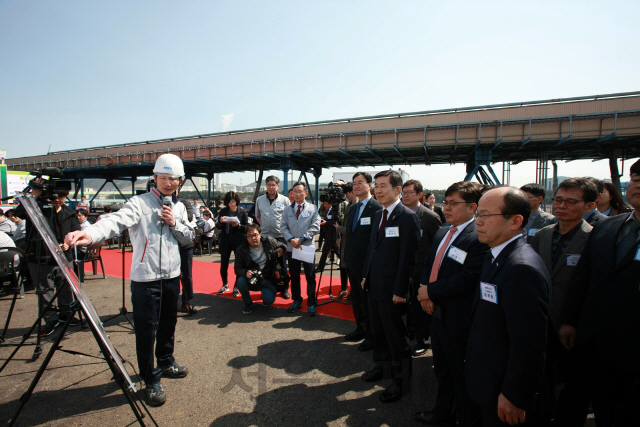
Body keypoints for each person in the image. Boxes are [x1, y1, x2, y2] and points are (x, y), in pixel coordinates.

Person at [65, 153, 195, 407]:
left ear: (181, 181)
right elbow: (114, 221)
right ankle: (150, 378)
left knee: (168, 323)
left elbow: (189, 237)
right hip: (145, 279)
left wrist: (174, 222)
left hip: (171, 277)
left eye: (174, 179)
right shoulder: (139, 203)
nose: (169, 183)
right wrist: (89, 233)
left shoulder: (179, 207)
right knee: (146, 330)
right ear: (154, 178)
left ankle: (166, 361)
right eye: (164, 178)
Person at [559, 159, 640, 427]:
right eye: (636, 178)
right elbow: (584, 277)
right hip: (598, 345)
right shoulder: (608, 227)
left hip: (635, 348)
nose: (638, 185)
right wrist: (570, 321)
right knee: (605, 410)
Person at [466, 186, 551, 426]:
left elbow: (529, 344)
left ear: (515, 221)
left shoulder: (521, 268)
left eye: (484, 215)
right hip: (487, 377)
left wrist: (515, 395)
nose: (477, 222)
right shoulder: (495, 253)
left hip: (502, 389)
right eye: (477, 215)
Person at [415, 181, 489, 426]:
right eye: (445, 202)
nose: (446, 208)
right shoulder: (443, 231)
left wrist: (430, 292)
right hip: (435, 311)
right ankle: (443, 411)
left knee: (461, 372)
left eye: (453, 203)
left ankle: (465, 417)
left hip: (459, 315)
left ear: (472, 207)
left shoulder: (479, 236)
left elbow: (469, 277)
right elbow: (427, 263)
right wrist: (426, 292)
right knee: (442, 368)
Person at [531, 178, 596, 427]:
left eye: (571, 202)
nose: (561, 206)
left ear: (589, 205)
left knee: (575, 381)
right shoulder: (543, 234)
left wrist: (574, 321)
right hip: (542, 319)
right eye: (558, 200)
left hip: (573, 324)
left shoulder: (595, 238)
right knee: (541, 376)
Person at [361, 170, 420, 404]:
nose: (378, 190)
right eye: (376, 185)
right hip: (374, 285)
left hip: (392, 290)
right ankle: (381, 367)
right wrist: (365, 275)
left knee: (396, 336)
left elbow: (408, 258)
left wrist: (400, 291)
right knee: (378, 331)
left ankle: (401, 382)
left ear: (397, 189)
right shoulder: (378, 214)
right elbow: (372, 249)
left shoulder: (407, 217)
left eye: (383, 185)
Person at [401, 179, 441, 358]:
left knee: (420, 309)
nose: (406, 196)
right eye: (404, 192)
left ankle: (423, 340)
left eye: (410, 192)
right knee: (407, 307)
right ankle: (412, 334)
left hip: (421, 272)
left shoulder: (430, 217)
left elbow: (436, 247)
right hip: (403, 271)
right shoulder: (399, 214)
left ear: (419, 194)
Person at [343, 172, 383, 351]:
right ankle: (361, 328)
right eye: (354, 183)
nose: (356, 186)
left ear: (370, 185)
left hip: (367, 267)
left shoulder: (377, 208)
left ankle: (372, 336)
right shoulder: (353, 207)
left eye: (360, 183)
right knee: (357, 301)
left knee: (368, 303)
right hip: (352, 263)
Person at [280, 182, 321, 316]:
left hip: (306, 248)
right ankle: (297, 300)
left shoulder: (313, 208)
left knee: (310, 276)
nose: (297, 194)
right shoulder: (287, 209)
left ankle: (311, 301)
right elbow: (283, 227)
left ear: (306, 193)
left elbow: (316, 226)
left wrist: (302, 238)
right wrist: (291, 239)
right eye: (294, 192)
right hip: (292, 248)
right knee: (295, 276)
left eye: (300, 191)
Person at [234, 223, 287, 314]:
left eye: (255, 235)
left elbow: (283, 245)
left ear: (260, 234)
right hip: (252, 278)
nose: (253, 238)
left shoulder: (269, 241)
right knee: (240, 281)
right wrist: (246, 272)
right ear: (246, 237)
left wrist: (282, 249)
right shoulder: (241, 249)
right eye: (249, 236)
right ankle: (248, 303)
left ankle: (266, 294)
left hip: (268, 278)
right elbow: (237, 269)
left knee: (269, 301)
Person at [253, 175, 291, 298]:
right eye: (269, 184)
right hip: (264, 237)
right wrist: (264, 226)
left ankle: (284, 288)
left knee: (282, 264)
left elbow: (288, 218)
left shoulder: (284, 200)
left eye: (273, 184)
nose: (271, 187)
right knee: (266, 264)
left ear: (277, 186)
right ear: (266, 186)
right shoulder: (259, 200)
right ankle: (270, 287)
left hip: (280, 237)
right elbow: (258, 217)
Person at [215, 191, 248, 297]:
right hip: (225, 240)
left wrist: (237, 225)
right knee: (223, 265)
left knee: (238, 265)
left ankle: (236, 286)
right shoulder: (223, 211)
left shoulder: (242, 212)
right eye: (229, 202)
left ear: (237, 201)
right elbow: (218, 227)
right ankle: (225, 284)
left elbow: (246, 227)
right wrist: (220, 222)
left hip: (239, 241)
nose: (231, 204)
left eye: (233, 202)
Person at [334, 181, 355, 301]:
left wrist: (339, 228)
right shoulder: (349, 204)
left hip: (351, 243)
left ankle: (352, 294)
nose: (344, 196)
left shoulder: (355, 205)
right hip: (345, 242)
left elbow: (355, 228)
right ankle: (344, 290)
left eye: (345, 193)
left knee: (351, 269)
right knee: (344, 266)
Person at [178, 195, 197, 315]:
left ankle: (186, 302)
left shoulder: (184, 202)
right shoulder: (158, 202)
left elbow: (190, 217)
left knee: (186, 275)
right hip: (167, 245)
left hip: (184, 244)